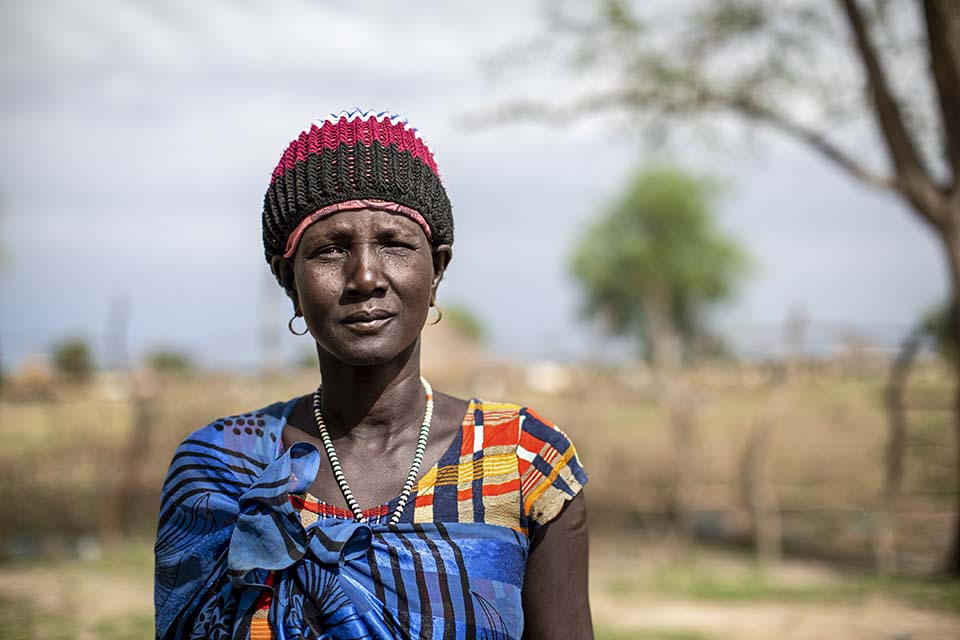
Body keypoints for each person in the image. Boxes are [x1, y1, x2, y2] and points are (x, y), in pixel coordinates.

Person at [154, 109, 592, 639]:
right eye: (332, 249)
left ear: (437, 270)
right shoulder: (220, 470)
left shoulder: (523, 462)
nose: (365, 277)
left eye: (394, 244)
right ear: (288, 279)